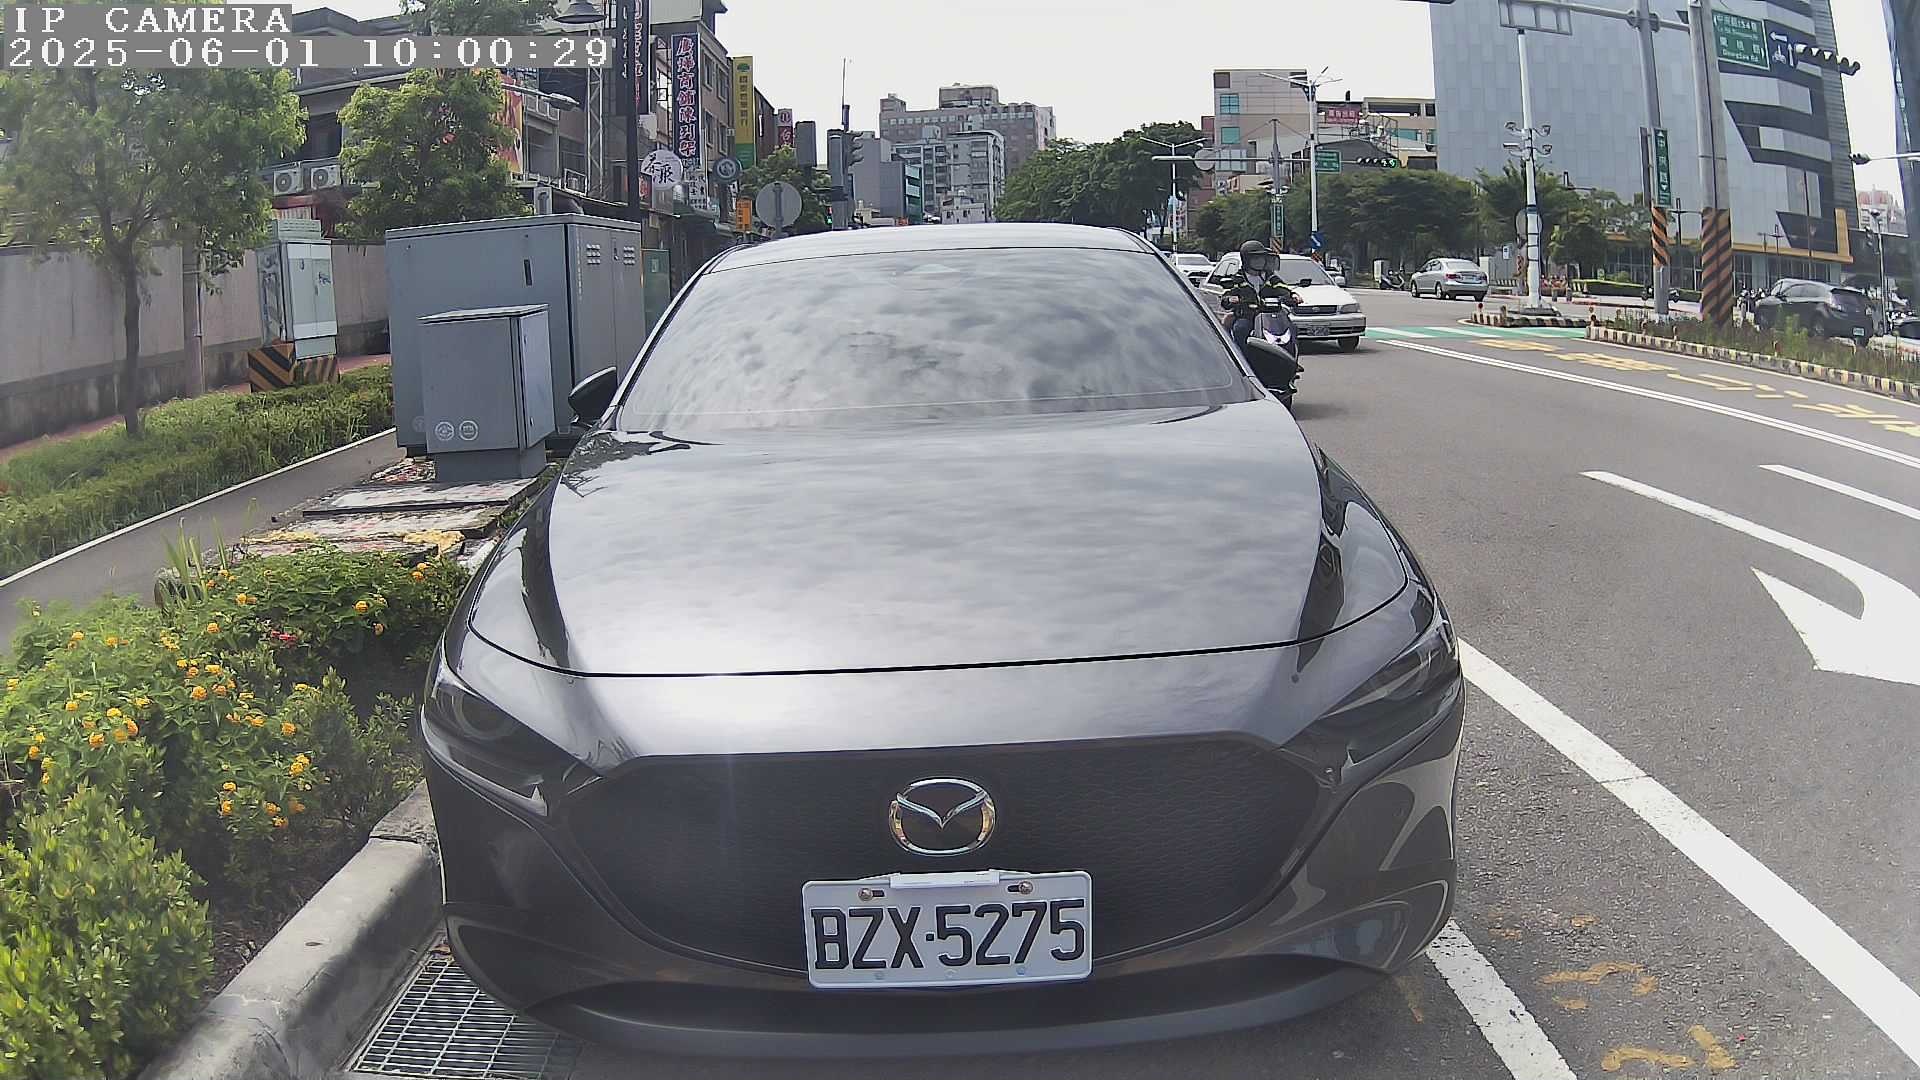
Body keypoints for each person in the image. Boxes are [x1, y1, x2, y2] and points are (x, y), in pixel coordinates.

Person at [1219, 241, 1296, 353]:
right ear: (1246, 260)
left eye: (1262, 258)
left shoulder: (1270, 277)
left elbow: (1282, 288)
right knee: (1240, 329)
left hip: (1270, 317)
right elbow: (1227, 295)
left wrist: (1293, 295)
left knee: (1291, 328)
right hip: (1247, 316)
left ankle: (1290, 356)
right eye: (1256, 259)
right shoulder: (1238, 279)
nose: (1261, 261)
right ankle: (1242, 357)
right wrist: (1230, 299)